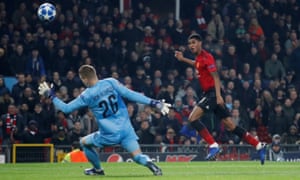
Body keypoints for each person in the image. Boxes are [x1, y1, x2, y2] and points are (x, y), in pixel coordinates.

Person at [38, 65, 171, 176]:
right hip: (126, 129)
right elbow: (130, 94)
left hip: (109, 133)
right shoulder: (111, 82)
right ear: (95, 74)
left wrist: (50, 95)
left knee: (84, 142)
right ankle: (153, 167)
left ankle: (98, 170)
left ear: (84, 79)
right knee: (137, 156)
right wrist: (154, 102)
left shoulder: (87, 95)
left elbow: (66, 109)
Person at [174, 33, 266, 164]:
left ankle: (213, 146)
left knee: (192, 118)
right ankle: (258, 145)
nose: (191, 46)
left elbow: (216, 77)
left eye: (193, 42)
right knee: (231, 126)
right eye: (189, 44)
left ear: (200, 43)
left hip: (212, 93)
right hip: (211, 94)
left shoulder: (207, 57)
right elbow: (197, 65)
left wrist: (218, 96)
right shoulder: (199, 58)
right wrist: (183, 59)